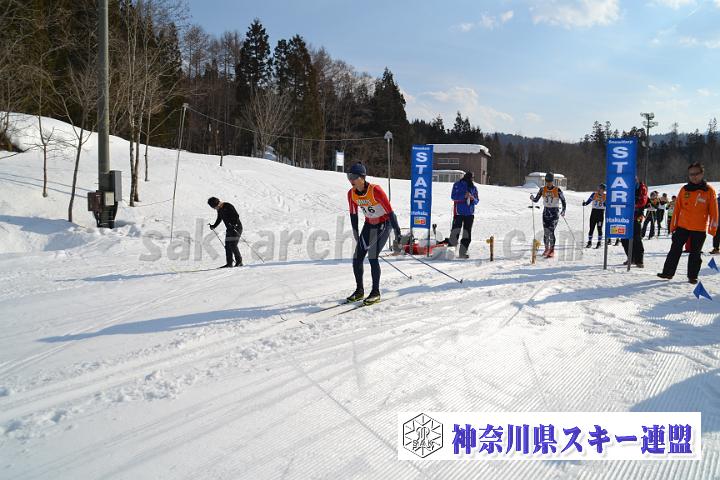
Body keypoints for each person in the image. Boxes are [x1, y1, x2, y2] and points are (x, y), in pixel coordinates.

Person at [346, 162, 402, 305]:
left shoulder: (375, 190)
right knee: (357, 257)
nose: (351, 180)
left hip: (384, 223)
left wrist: (397, 233)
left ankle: (375, 292)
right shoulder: (351, 194)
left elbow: (390, 213)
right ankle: (359, 291)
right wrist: (356, 232)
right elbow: (353, 215)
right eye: (348, 176)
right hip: (369, 224)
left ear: (362, 177)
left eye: (353, 176)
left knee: (372, 256)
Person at [658, 163, 718, 283]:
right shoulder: (684, 189)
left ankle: (692, 276)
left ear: (702, 174)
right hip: (682, 226)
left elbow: (714, 211)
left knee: (695, 253)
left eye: (696, 173)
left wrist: (712, 229)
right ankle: (667, 273)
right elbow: (677, 209)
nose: (694, 176)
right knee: (674, 250)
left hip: (699, 228)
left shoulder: (709, 191)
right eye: (691, 174)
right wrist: (673, 226)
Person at [530, 172, 566, 258]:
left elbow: (564, 201)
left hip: (554, 213)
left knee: (551, 231)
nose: (548, 183)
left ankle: (552, 250)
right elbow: (536, 199)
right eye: (547, 181)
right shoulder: (542, 189)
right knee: (546, 232)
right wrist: (532, 198)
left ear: (553, 181)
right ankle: (546, 249)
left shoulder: (557, 190)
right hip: (546, 212)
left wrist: (563, 210)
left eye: (550, 181)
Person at [447, 171, 479, 258]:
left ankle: (463, 252)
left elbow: (477, 201)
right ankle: (450, 252)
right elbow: (453, 197)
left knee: (467, 233)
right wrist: (463, 196)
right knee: (455, 231)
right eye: (472, 178)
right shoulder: (457, 185)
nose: (472, 180)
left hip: (469, 213)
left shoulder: (474, 187)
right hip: (459, 212)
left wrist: (472, 198)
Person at [208, 196, 243, 268]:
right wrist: (214, 226)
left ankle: (239, 262)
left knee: (233, 244)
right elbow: (219, 218)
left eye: (214, 207)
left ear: (218, 204)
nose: (215, 209)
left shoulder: (228, 206)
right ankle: (229, 263)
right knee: (227, 246)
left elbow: (236, 216)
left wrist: (234, 224)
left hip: (236, 228)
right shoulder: (219, 210)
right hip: (229, 229)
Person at [621, 177, 648, 268]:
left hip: (637, 216)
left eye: (634, 180)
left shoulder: (641, 187)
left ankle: (639, 260)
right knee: (624, 238)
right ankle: (631, 257)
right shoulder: (625, 187)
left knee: (636, 238)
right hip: (625, 216)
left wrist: (632, 204)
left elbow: (643, 201)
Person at [582, 183, 606, 249]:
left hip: (600, 214)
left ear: (603, 190)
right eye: (598, 188)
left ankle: (599, 243)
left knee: (599, 229)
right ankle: (589, 242)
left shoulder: (605, 196)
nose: (598, 189)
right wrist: (585, 203)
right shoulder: (594, 194)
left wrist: (603, 202)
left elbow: (607, 205)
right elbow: (589, 201)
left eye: (600, 188)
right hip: (593, 213)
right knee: (591, 228)